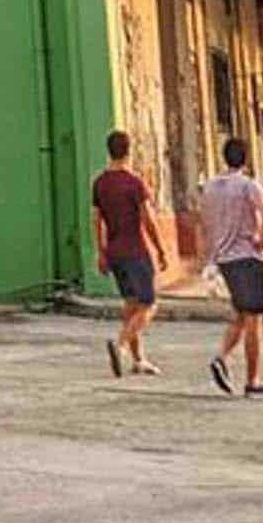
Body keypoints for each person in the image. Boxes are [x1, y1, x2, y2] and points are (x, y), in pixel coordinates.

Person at [200, 137, 263, 398]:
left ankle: (222, 358)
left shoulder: (209, 187)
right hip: (247, 256)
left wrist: (208, 259)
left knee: (241, 314)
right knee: (254, 319)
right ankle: (253, 380)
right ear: (245, 158)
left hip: (223, 258)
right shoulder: (247, 186)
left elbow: (205, 224)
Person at [91, 129, 168, 377]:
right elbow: (148, 218)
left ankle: (139, 359)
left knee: (131, 304)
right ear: (128, 151)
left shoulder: (100, 183)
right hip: (135, 250)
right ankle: (121, 344)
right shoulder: (134, 183)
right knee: (149, 304)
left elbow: (96, 220)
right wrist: (160, 248)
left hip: (114, 252)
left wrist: (100, 251)